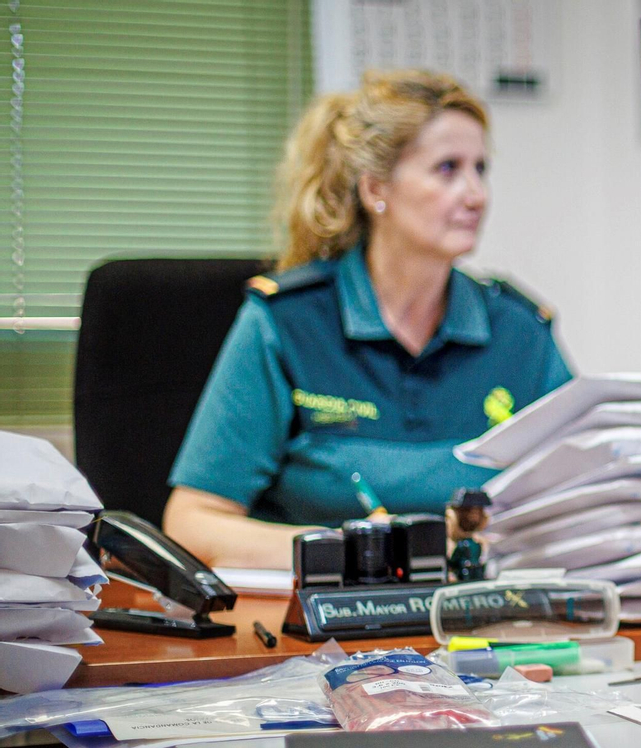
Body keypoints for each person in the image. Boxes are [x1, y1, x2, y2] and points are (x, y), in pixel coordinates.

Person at [165, 71, 572, 569]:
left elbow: (584, 497)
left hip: (487, 618)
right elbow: (193, 521)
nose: (476, 194)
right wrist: (356, 552)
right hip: (325, 627)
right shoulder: (289, 322)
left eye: (480, 169)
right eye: (447, 169)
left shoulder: (519, 331)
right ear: (376, 188)